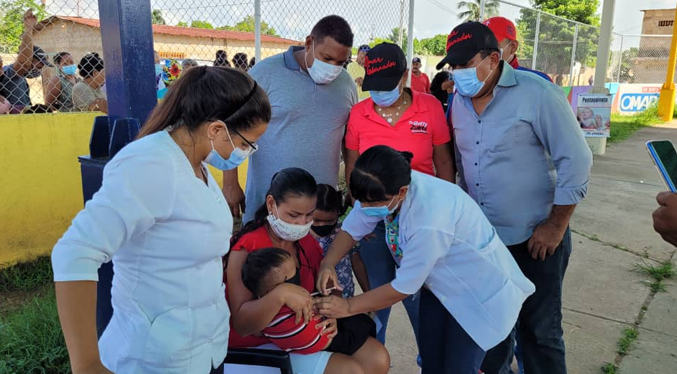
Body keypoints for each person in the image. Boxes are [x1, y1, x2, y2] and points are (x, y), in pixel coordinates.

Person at [51, 66, 271, 374]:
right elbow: (74, 253)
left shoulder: (196, 164)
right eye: (247, 143)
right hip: (155, 358)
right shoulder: (150, 165)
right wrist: (87, 365)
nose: (246, 152)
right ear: (217, 130)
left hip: (202, 349)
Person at [436, 22, 593, 374]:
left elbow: (577, 160)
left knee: (539, 333)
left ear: (494, 59)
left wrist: (556, 225)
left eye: (466, 64)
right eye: (453, 66)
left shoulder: (537, 94)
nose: (458, 73)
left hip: (536, 240)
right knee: (491, 331)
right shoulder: (457, 103)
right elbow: (462, 165)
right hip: (485, 243)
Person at [314, 146, 535, 373]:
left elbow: (404, 287)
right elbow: (352, 229)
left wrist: (348, 306)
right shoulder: (382, 189)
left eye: (372, 204)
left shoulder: (429, 219)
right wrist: (328, 263)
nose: (365, 208)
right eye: (363, 202)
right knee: (432, 362)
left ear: (401, 192)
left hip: (477, 295)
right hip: (439, 288)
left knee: (458, 368)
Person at [344, 42, 454, 353]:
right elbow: (353, 167)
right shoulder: (359, 114)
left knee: (423, 299)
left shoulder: (430, 107)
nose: (378, 94)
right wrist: (361, 215)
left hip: (420, 221)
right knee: (376, 296)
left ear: (405, 76)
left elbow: (444, 161)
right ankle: (369, 361)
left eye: (387, 86)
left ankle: (430, 361)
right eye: (373, 86)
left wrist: (445, 211)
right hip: (375, 219)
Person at [225, 167, 390, 374]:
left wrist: (333, 309)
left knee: (378, 358)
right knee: (349, 371)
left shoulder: (305, 241)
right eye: (294, 215)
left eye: (309, 215)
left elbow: (328, 285)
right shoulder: (246, 248)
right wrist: (280, 294)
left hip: (307, 330)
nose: (302, 223)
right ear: (271, 204)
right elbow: (242, 325)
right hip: (258, 343)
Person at [223, 15, 357, 223]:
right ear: (309, 43)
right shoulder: (265, 73)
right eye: (327, 58)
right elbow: (234, 127)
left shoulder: (346, 83)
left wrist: (352, 185)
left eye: (341, 62)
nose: (333, 68)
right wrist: (230, 182)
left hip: (319, 213)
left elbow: (349, 141)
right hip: (268, 205)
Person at [241, 247, 377, 355]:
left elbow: (258, 332)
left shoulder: (262, 309)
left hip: (299, 346)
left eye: (297, 269)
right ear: (278, 287)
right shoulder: (293, 301)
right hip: (331, 340)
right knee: (363, 322)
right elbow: (315, 307)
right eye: (293, 274)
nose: (297, 275)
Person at [311, 184, 369, 299]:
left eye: (329, 220)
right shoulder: (301, 236)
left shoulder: (345, 233)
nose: (322, 225)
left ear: (338, 212)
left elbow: (357, 263)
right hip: (314, 299)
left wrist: (367, 293)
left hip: (345, 295)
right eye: (316, 220)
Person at [0, 10, 52, 113]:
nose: (39, 70)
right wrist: (29, 29)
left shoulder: (21, 77)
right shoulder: (9, 74)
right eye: (38, 66)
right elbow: (24, 63)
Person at [482, 17, 552, 82]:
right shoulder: (475, 80)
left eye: (492, 45)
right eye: (480, 45)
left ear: (513, 47)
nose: (483, 51)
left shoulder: (539, 82)